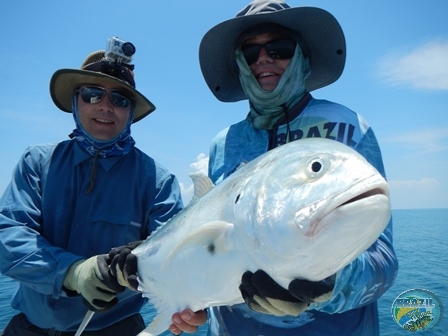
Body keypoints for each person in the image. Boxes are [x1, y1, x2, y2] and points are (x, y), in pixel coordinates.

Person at [196, 0, 399, 335]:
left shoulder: (347, 126)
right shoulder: (223, 143)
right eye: (249, 53)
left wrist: (328, 283)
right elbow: (214, 248)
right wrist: (195, 301)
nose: (263, 59)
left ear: (302, 56)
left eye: (279, 48)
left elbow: (383, 262)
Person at [0, 39, 205, 335]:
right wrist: (72, 273)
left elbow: (180, 256)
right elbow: (7, 234)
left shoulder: (158, 182)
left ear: (131, 111)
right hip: (28, 327)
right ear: (75, 100)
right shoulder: (37, 162)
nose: (106, 107)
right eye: (93, 95)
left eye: (120, 99)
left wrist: (194, 305)